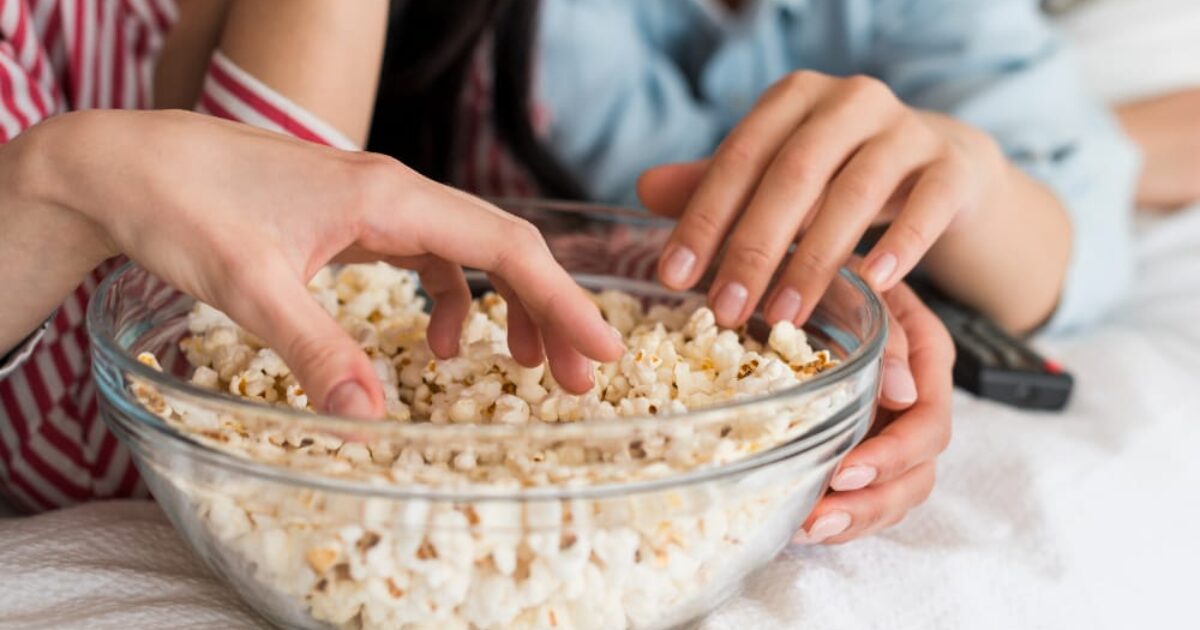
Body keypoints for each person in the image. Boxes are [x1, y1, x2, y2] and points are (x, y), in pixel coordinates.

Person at [0, 0, 942, 548]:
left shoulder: (509, 46)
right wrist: (61, 181)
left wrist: (794, 337)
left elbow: (566, 238)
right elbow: (119, 438)